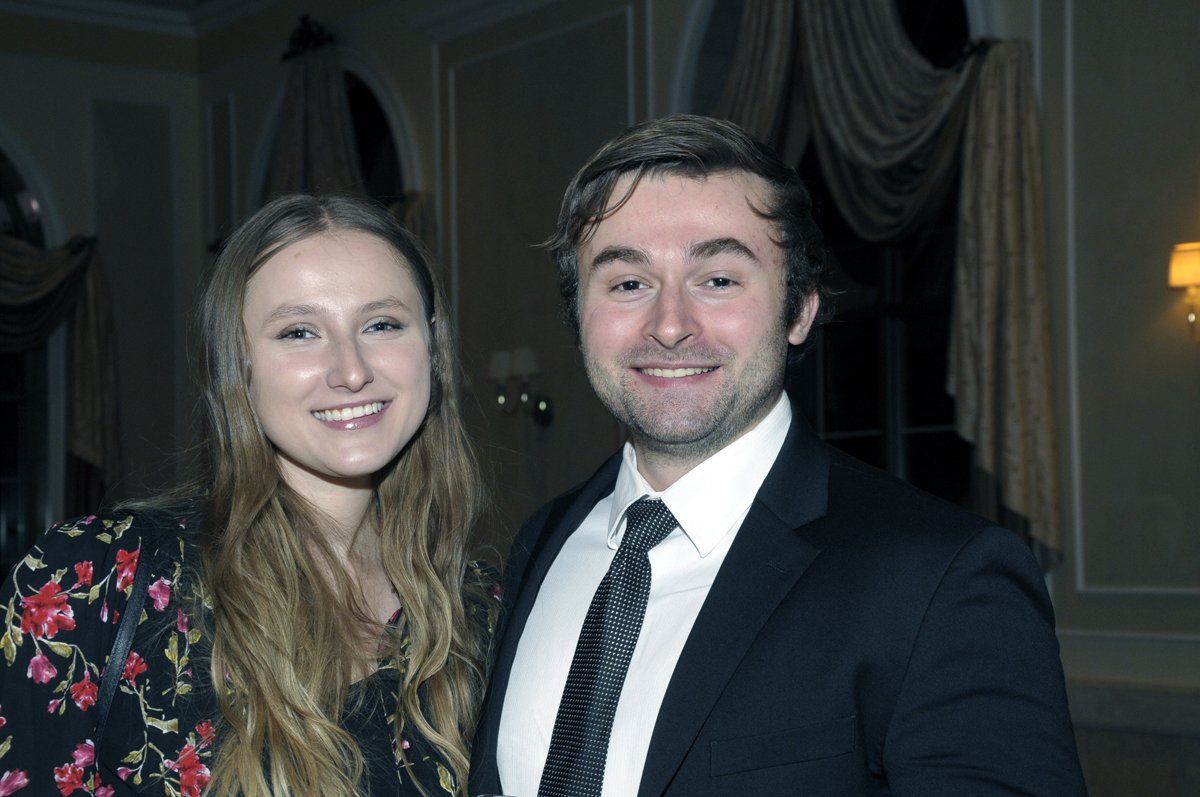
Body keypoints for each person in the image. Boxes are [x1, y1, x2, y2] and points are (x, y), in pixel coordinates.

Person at [468, 115, 1086, 796]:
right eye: (627, 283)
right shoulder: (542, 542)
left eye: (720, 279)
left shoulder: (942, 579)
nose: (670, 324)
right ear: (578, 318)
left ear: (800, 312)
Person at [0, 195, 497, 796]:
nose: (351, 369)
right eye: (298, 332)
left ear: (431, 350)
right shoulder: (94, 584)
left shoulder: (479, 613)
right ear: (239, 367)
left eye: (382, 324)